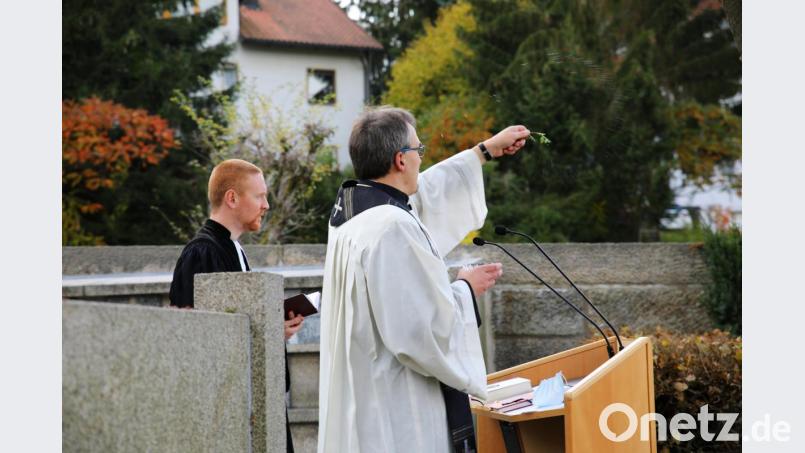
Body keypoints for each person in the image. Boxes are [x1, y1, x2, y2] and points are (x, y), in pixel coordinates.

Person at [317, 106, 531, 453]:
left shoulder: (356, 212)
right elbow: (423, 330)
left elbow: (425, 193)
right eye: (418, 150)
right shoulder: (392, 227)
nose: (421, 158)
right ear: (400, 160)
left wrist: (484, 151)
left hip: (366, 395)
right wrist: (465, 289)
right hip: (398, 408)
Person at [168, 158, 303, 453]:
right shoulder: (202, 254)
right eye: (259, 196)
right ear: (232, 198)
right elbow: (203, 344)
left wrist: (274, 330)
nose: (266, 205)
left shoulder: (232, 248)